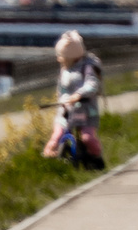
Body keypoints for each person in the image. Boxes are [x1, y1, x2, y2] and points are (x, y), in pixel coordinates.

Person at [43, 30, 103, 164]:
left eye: (61, 56)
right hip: (66, 111)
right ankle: (47, 160)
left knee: (88, 138)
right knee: (56, 137)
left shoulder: (87, 67)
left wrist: (79, 94)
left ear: (71, 57)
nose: (59, 59)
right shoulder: (64, 69)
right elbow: (62, 91)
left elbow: (92, 84)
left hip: (86, 111)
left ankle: (97, 158)